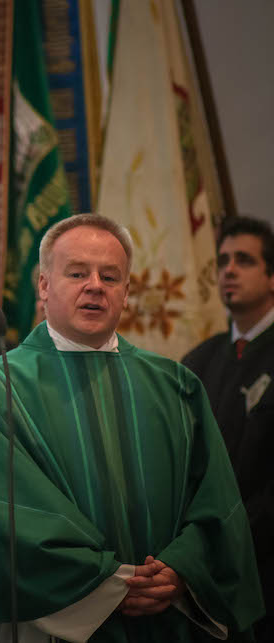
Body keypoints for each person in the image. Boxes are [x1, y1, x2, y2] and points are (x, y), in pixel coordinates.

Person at [0, 214, 263, 642]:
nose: (95, 285)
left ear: (126, 293)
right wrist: (110, 584)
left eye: (110, 276)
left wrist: (182, 568)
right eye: (77, 273)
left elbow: (216, 504)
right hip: (54, 624)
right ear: (45, 286)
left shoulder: (175, 385)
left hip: (170, 617)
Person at [183, 215, 274, 642]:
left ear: (272, 277)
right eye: (222, 261)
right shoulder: (198, 361)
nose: (228, 271)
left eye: (244, 260)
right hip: (206, 566)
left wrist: (234, 531)